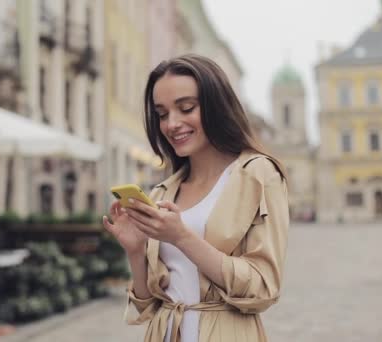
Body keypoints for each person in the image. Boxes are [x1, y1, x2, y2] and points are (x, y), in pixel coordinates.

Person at [102, 54, 290, 342]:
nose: (172, 124)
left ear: (217, 106)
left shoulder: (258, 173)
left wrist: (181, 237)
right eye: (162, 114)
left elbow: (263, 288)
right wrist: (136, 251)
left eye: (186, 108)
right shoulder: (163, 191)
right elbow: (146, 305)